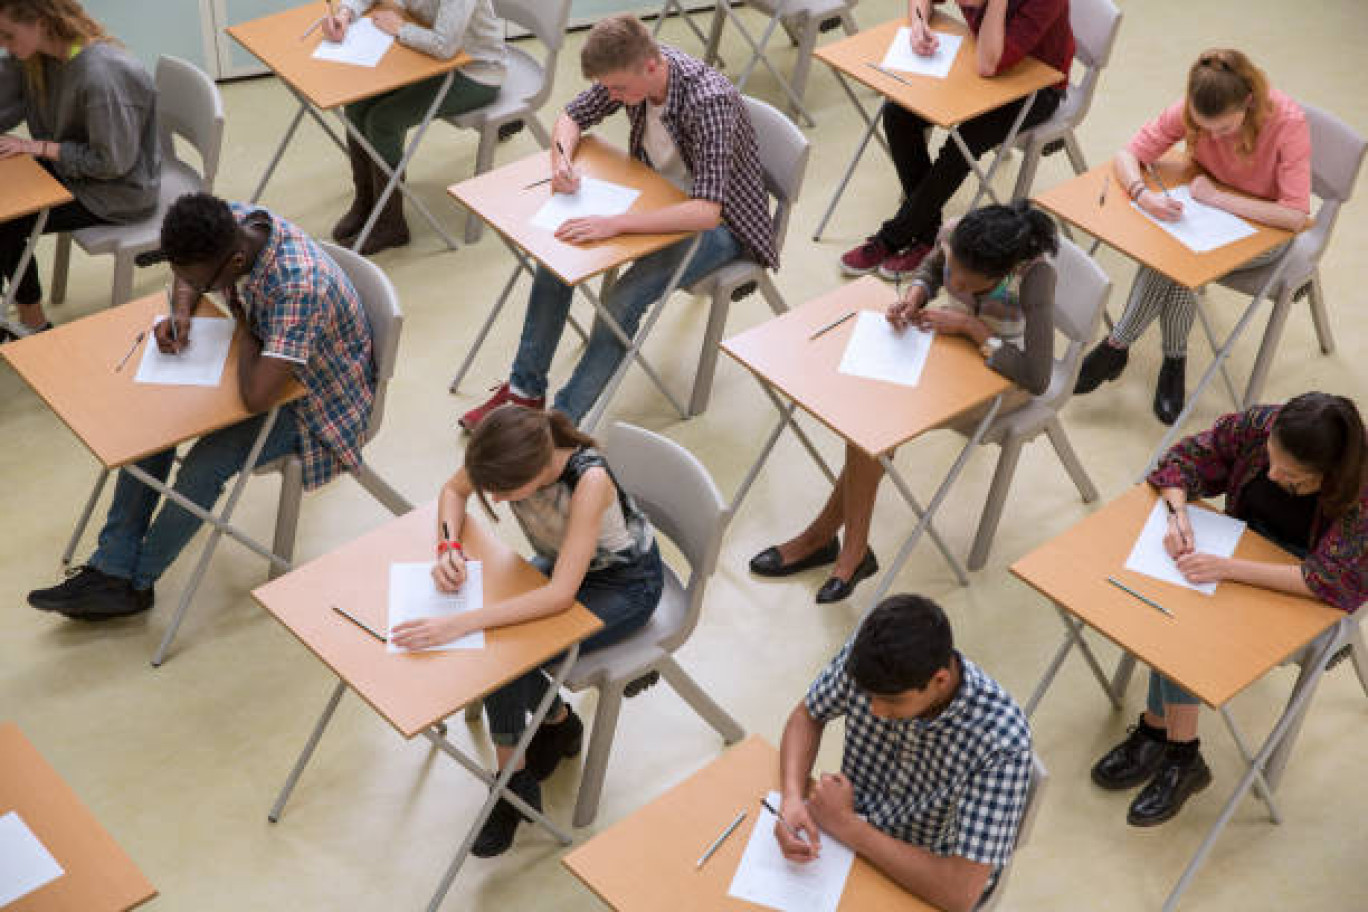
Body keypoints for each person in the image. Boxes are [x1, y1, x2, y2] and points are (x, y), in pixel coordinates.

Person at [28, 193, 375, 619]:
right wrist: (182, 310)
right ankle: (111, 568)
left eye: (199, 280)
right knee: (154, 422)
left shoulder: (297, 285)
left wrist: (245, 328)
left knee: (206, 464)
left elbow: (258, 396)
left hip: (319, 403)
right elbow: (189, 279)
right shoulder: (231, 223)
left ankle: (137, 584)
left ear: (233, 262)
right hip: (268, 362)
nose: (189, 281)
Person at [459, 13, 776, 430]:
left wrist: (615, 224)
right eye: (607, 88)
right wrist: (563, 161)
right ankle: (524, 392)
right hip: (652, 200)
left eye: (618, 89)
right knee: (556, 257)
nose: (611, 96)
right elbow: (570, 118)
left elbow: (705, 211)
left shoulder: (708, 101)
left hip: (724, 227)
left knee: (623, 300)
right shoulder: (631, 76)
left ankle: (562, 425)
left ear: (651, 64)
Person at [390, 405, 663, 857]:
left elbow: (559, 596)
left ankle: (512, 785)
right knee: (498, 646)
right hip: (566, 569)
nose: (495, 500)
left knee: (504, 657)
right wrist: (448, 547)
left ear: (539, 470)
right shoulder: (508, 450)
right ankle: (555, 725)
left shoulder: (588, 482)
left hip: (624, 585)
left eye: (505, 492)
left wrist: (457, 622)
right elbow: (453, 491)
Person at [751, 202, 1058, 602]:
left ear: (1000, 274)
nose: (957, 283)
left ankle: (829, 541)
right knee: (873, 419)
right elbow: (932, 268)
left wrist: (972, 327)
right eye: (956, 274)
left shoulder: (1035, 278)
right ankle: (840, 546)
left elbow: (1037, 376)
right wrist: (916, 294)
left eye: (968, 285)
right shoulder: (955, 234)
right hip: (947, 353)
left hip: (1001, 376)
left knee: (877, 424)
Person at [1092, 392, 1367, 826]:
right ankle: (1173, 745)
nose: (1272, 473)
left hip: (1300, 591)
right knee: (1171, 607)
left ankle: (1166, 739)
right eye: (1271, 460)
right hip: (1239, 551)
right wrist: (1176, 514)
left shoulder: (1361, 493)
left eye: (1291, 477)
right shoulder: (1262, 427)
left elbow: (1328, 581)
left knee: (1183, 623)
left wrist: (1227, 568)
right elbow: (1183, 458)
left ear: (1328, 476)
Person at [1074, 49, 1312, 424]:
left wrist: (1219, 199)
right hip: (1205, 211)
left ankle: (1117, 344)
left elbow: (1296, 217)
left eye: (1224, 129)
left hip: (1263, 231)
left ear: (1248, 102)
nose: (1213, 137)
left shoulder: (1287, 122)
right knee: (1177, 259)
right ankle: (1173, 361)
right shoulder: (1194, 107)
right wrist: (1143, 195)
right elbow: (1128, 154)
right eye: (1204, 128)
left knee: (1179, 259)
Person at [776, 594, 1032, 912]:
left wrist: (848, 825)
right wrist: (790, 797)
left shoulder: (1002, 743)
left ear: (940, 680)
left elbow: (958, 892)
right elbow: (807, 716)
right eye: (868, 696)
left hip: (921, 880)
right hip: (849, 847)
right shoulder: (871, 658)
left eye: (892, 701)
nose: (875, 710)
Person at [839, 0, 1072, 282]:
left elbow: (989, 64)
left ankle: (891, 237)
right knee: (897, 114)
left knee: (963, 142)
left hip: (1038, 87)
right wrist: (918, 25)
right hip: (980, 67)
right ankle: (927, 234)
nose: (962, 5)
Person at [0, 0, 159, 335]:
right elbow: (8, 102)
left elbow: (113, 164)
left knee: (7, 221)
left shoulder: (102, 76)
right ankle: (9, 307)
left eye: (8, 35)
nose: (3, 44)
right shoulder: (38, 57)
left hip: (116, 191)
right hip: (74, 170)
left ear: (41, 22)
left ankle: (34, 325)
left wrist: (40, 147)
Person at [324, 0, 505, 255]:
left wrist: (399, 29)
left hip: (475, 72)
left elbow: (445, 46)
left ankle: (390, 223)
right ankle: (366, 202)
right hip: (428, 59)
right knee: (356, 104)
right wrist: (345, 13)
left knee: (383, 120)